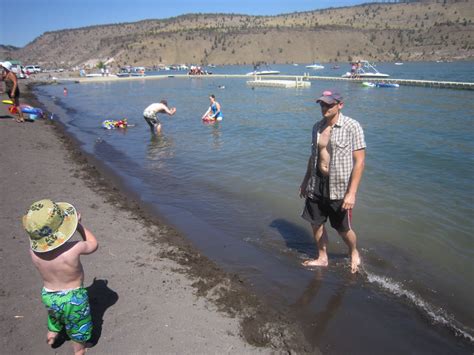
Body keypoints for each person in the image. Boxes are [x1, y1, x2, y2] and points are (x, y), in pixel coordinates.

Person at [299, 90, 366, 273]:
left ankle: (353, 252)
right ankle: (322, 257)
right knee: (315, 223)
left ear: (340, 105)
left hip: (339, 186)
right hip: (316, 183)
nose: (324, 108)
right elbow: (313, 157)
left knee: (343, 229)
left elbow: (359, 161)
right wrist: (305, 180)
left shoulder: (352, 126)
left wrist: (351, 193)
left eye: (329, 104)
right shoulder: (317, 127)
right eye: (322, 104)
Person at [22, 199, 99, 355]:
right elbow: (93, 244)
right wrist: (78, 225)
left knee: (55, 314)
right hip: (73, 298)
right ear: (63, 228)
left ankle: (52, 334)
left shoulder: (33, 252)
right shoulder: (74, 248)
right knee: (78, 325)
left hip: (49, 294)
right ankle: (79, 350)